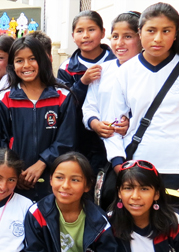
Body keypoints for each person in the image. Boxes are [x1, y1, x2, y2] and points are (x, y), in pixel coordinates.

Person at [105, 3, 179, 220]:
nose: (158, 38)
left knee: (173, 235)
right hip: (136, 166)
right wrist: (119, 164)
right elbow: (113, 123)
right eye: (151, 31)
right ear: (140, 33)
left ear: (175, 34)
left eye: (166, 31)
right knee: (134, 237)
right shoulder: (126, 71)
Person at [0, 36, 76, 202]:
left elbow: (67, 139)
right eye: (19, 60)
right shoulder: (4, 97)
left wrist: (42, 163)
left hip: (54, 180)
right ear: (12, 65)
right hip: (15, 182)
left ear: (43, 60)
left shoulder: (62, 96)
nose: (26, 65)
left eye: (32, 59)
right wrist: (13, 171)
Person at [58, 11, 116, 173]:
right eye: (80, 31)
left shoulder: (117, 62)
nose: (85, 35)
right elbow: (65, 106)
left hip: (112, 133)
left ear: (103, 32)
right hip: (79, 137)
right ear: (73, 35)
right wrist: (83, 82)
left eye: (91, 29)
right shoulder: (67, 68)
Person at [82, 12, 141, 141]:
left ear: (141, 38)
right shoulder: (102, 70)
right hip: (102, 147)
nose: (119, 43)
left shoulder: (147, 73)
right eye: (115, 36)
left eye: (127, 36)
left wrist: (131, 123)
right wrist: (96, 124)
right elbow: (89, 106)